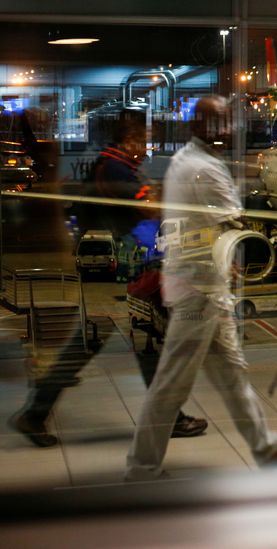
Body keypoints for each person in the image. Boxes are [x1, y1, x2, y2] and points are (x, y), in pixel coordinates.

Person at [8, 112, 207, 449]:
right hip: (119, 275)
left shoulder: (112, 165)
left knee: (124, 344)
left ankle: (37, 412)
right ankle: (36, 413)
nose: (146, 150)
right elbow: (149, 209)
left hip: (118, 272)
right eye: (143, 142)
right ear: (128, 139)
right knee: (140, 343)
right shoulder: (114, 168)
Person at [125, 95, 277, 480]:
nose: (226, 129)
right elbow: (235, 221)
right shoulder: (206, 169)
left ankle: (266, 448)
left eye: (226, 121)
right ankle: (141, 469)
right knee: (170, 385)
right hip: (199, 291)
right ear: (197, 126)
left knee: (233, 376)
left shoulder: (185, 160)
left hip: (202, 287)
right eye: (216, 122)